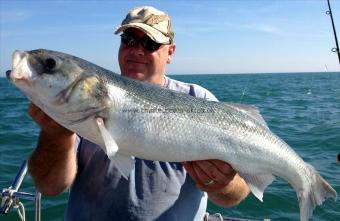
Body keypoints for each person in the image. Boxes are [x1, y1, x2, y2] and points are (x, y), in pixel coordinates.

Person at [28, 6, 249, 221]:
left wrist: (222, 183)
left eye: (150, 43)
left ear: (170, 52)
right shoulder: (83, 100)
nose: (136, 50)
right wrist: (56, 136)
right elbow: (49, 187)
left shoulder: (198, 99)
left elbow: (237, 194)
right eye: (129, 40)